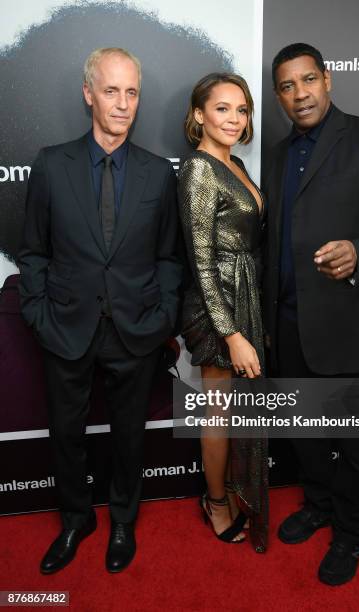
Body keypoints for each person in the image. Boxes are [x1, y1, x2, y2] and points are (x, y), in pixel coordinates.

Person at [18, 47, 181, 573]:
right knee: (66, 433)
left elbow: (168, 257)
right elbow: (34, 251)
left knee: (129, 435)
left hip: (136, 330)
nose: (122, 103)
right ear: (88, 94)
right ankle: (74, 519)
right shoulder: (50, 164)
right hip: (65, 326)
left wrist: (162, 319)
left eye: (131, 92)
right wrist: (40, 314)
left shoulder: (158, 173)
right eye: (111, 91)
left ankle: (123, 521)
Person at [262, 43, 359, 584]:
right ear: (278, 94)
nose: (299, 94)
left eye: (308, 81)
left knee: (356, 445)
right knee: (306, 433)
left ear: (328, 81)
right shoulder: (278, 155)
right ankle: (321, 505)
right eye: (286, 86)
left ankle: (352, 535)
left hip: (352, 327)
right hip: (291, 327)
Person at [178, 73, 268, 551]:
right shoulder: (198, 169)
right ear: (199, 115)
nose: (234, 119)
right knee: (219, 412)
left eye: (242, 110)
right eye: (222, 109)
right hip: (216, 304)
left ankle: (232, 490)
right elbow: (201, 260)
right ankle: (215, 503)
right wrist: (231, 332)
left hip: (246, 292)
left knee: (239, 411)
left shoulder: (234, 165)